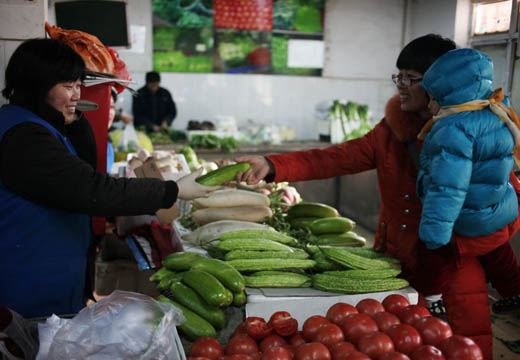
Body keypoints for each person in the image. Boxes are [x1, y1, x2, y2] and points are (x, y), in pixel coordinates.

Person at [235, 34, 504, 359]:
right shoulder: (390, 133)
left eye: (411, 78)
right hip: (396, 267)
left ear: (439, 83)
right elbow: (335, 157)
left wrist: (456, 247)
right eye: (398, 76)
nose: (401, 86)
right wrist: (272, 164)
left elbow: (501, 210)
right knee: (399, 348)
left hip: (456, 274)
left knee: (462, 346)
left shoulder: (480, 135)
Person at [0, 38, 218, 318]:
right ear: (37, 87)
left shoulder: (39, 124)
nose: (77, 94)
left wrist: (73, 117)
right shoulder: (26, 137)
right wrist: (170, 191)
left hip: (47, 275)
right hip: (28, 286)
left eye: (79, 85)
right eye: (68, 86)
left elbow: (87, 169)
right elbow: (92, 190)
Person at [416, 48, 520, 314]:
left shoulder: (452, 130)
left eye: (432, 98)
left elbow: (447, 187)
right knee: (498, 251)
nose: (429, 106)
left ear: (451, 96)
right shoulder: (497, 114)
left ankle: (433, 301)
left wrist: (435, 233)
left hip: (466, 216)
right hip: (496, 210)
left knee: (432, 254)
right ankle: (514, 291)